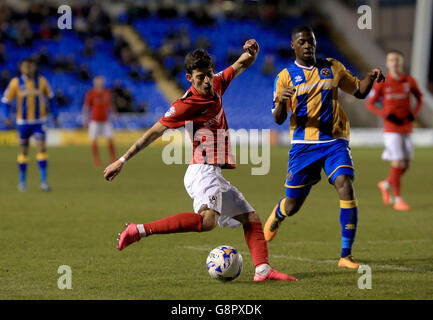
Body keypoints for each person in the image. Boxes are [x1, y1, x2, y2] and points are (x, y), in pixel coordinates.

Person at [103, 40, 297, 282]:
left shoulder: (216, 84)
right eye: (199, 77)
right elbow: (153, 132)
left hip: (213, 172)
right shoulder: (184, 105)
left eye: (208, 75)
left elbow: (240, 64)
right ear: (188, 77)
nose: (206, 81)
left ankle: (263, 271)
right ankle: (138, 230)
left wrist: (252, 53)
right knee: (208, 222)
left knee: (251, 218)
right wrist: (122, 160)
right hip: (202, 170)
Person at [264, 25, 385, 269]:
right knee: (293, 204)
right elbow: (278, 119)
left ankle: (345, 255)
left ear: (316, 43)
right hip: (303, 146)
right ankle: (279, 214)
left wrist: (370, 79)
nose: (307, 45)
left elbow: (359, 92)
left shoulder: (333, 67)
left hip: (334, 141)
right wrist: (282, 103)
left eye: (311, 41)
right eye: (302, 42)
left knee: (345, 185)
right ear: (293, 46)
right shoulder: (285, 77)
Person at [366, 49, 423, 211]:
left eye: (397, 60)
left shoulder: (409, 81)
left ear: (402, 62)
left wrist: (414, 114)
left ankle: (385, 184)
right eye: (392, 60)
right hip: (391, 129)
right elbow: (371, 103)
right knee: (397, 161)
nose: (395, 63)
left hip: (407, 127)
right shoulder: (382, 82)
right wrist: (385, 114)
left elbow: (419, 99)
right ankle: (398, 199)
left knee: (405, 165)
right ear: (387, 63)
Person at [1, 59, 58, 191]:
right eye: (25, 66)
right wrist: (5, 116)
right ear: (21, 68)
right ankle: (22, 182)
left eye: (30, 66)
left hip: (39, 121)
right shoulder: (16, 82)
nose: (28, 68)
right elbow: (5, 101)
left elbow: (51, 98)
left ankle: (43, 182)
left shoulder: (42, 81)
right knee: (24, 151)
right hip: (23, 122)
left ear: (33, 67)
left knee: (41, 149)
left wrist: (54, 114)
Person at [82, 76, 117, 167]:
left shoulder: (107, 92)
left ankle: (113, 158)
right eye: (97, 82)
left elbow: (110, 104)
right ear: (94, 83)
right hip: (94, 121)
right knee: (94, 140)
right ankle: (96, 159)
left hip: (105, 120)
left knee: (110, 139)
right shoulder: (91, 93)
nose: (99, 84)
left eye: (101, 82)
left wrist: (114, 113)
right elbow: (86, 107)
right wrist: (85, 120)